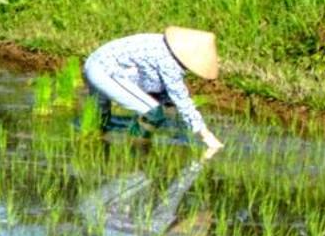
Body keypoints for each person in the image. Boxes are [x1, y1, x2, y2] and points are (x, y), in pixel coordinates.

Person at [82, 27, 223, 155]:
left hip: (96, 61)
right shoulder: (169, 62)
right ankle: (136, 152)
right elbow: (182, 100)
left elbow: (154, 84)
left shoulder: (162, 44)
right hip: (104, 71)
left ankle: (97, 151)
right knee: (153, 112)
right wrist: (207, 137)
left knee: (98, 123)